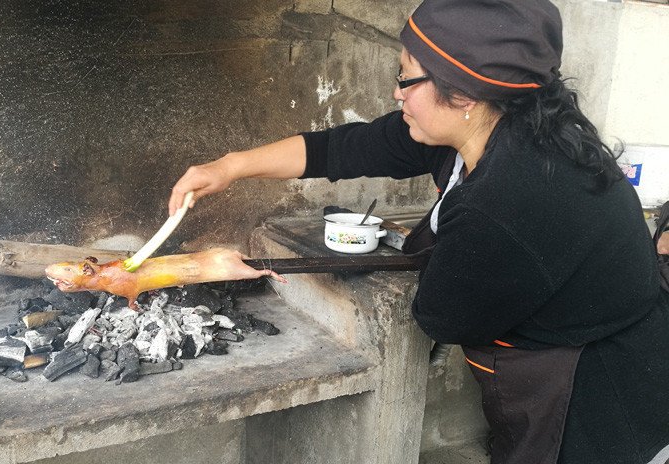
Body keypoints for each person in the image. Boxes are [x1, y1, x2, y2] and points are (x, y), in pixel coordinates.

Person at [168, 0, 669, 462]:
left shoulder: (509, 196)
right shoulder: (493, 123)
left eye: (406, 78)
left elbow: (443, 317)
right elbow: (344, 148)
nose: (396, 92)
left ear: (464, 93)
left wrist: (438, 246)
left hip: (594, 394)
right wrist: (227, 167)